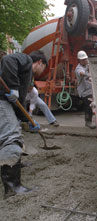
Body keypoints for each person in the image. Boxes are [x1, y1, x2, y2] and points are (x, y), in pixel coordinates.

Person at [0, 50, 48, 198]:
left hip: (5, 102)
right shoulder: (26, 60)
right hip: (1, 100)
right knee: (12, 137)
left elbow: (18, 103)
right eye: (44, 68)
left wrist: (27, 120)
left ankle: (14, 163)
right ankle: (13, 186)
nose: (42, 72)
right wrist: (13, 86)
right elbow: (8, 60)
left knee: (10, 133)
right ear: (40, 62)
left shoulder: (26, 74)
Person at [75, 50, 96, 129]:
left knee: (92, 105)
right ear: (79, 60)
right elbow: (81, 73)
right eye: (83, 59)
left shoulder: (87, 65)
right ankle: (88, 122)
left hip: (90, 89)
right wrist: (88, 74)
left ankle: (91, 120)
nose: (85, 60)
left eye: (85, 59)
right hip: (84, 91)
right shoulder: (78, 68)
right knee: (88, 105)